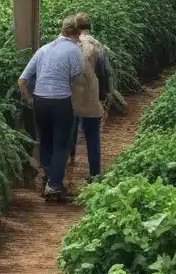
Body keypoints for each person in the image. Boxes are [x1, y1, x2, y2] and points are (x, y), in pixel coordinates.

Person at [18, 17, 85, 200]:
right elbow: (76, 77)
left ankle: (48, 179)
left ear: (62, 31)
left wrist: (30, 99)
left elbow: (22, 80)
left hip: (40, 102)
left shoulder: (43, 49)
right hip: (60, 101)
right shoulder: (74, 51)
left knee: (45, 142)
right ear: (77, 33)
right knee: (61, 144)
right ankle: (55, 186)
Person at [69, 12, 112, 180]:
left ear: (76, 28)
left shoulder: (71, 45)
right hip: (91, 96)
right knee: (92, 136)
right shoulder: (97, 46)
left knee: (70, 130)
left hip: (71, 96)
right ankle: (95, 173)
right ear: (90, 27)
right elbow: (104, 73)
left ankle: (69, 161)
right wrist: (105, 95)